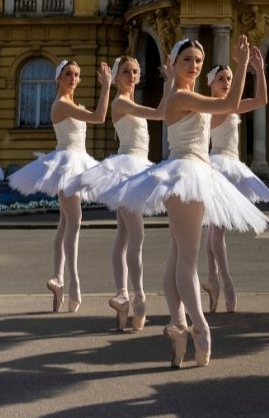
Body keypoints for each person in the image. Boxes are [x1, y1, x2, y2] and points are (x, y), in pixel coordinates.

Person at [112, 37, 267, 369]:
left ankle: (179, 323)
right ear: (176, 64)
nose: (195, 65)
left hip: (189, 173)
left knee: (177, 256)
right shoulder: (181, 96)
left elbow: (228, 106)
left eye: (199, 60)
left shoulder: (178, 94)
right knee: (187, 259)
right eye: (188, 60)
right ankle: (199, 325)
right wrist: (241, 66)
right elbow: (229, 104)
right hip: (187, 174)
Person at [69, 56, 172, 332]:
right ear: (116, 77)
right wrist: (171, 80)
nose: (133, 75)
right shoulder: (121, 102)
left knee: (125, 235)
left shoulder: (126, 101)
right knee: (136, 235)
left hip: (135, 166)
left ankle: (124, 296)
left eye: (136, 71)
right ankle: (136, 298)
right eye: (126, 71)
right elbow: (161, 113)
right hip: (128, 168)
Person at [9, 59, 113, 313]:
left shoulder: (68, 104)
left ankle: (58, 280)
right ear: (59, 78)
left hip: (74, 159)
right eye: (68, 74)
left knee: (65, 223)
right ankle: (73, 284)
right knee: (73, 221)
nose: (74, 78)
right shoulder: (63, 104)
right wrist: (107, 87)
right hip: (68, 162)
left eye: (77, 74)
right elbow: (99, 117)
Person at [203, 48, 269, 315]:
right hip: (219, 165)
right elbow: (243, 100)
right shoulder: (216, 106)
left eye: (230, 79)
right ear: (211, 83)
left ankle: (212, 280)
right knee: (217, 228)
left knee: (213, 229)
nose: (227, 83)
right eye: (222, 79)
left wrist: (258, 70)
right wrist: (245, 66)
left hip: (231, 165)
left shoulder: (227, 104)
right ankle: (226, 282)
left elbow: (261, 99)